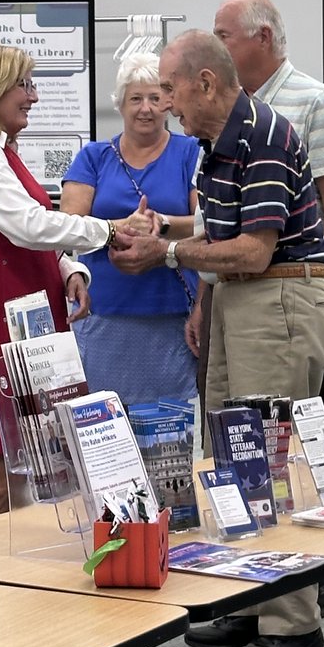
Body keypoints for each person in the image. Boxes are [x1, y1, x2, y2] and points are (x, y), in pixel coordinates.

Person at [110, 30, 324, 647]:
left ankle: (292, 628)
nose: (165, 104)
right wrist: (164, 237)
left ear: (206, 83)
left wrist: (167, 253)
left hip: (279, 298)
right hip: (241, 302)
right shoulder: (218, 143)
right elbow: (219, 231)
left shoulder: (263, 136)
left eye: (171, 90)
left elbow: (254, 249)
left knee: (267, 463)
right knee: (227, 457)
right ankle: (245, 601)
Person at [0, 39, 132, 527]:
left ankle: (1, 569)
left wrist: (68, 269)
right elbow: (27, 226)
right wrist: (107, 231)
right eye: (23, 84)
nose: (34, 96)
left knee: (25, 469)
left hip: (23, 321)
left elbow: (22, 230)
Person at [188, 0, 324, 424]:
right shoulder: (222, 111)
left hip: (289, 294)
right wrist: (204, 297)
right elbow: (217, 220)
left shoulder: (317, 103)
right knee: (225, 430)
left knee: (285, 432)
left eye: (223, 36)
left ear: (262, 37)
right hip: (229, 292)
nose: (215, 46)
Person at [60, 52, 200, 404]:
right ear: (120, 104)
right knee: (104, 422)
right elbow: (68, 227)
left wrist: (161, 224)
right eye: (136, 98)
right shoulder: (93, 157)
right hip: (103, 314)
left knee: (168, 424)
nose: (145, 108)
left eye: (155, 98)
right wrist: (120, 227)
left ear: (169, 103)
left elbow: (206, 223)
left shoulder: (191, 152)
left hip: (172, 315)